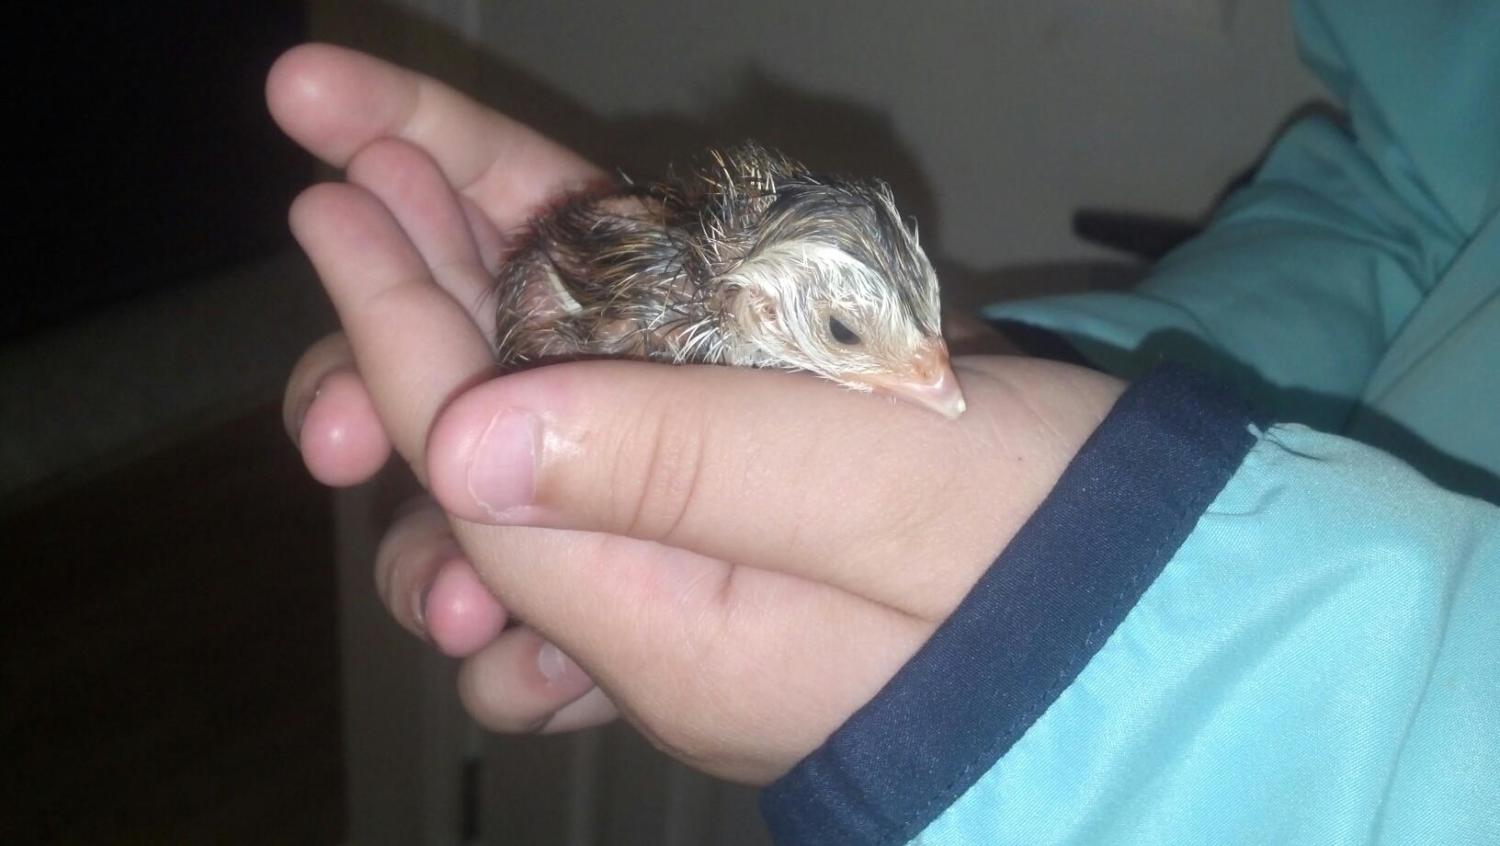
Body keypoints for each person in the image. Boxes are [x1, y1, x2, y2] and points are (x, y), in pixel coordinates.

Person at [268, 0, 1497, 842]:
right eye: (854, 336)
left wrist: (1099, 613)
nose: (937, 381)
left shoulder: (753, 315)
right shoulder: (679, 319)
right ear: (756, 303)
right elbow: (1421, 197)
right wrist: (1054, 374)